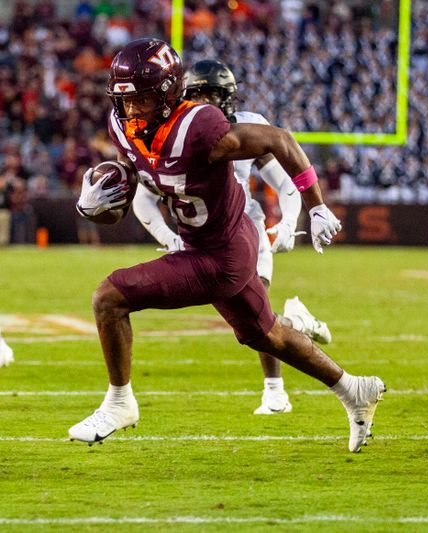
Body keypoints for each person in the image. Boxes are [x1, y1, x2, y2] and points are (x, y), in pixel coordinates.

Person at [69, 38, 385, 452]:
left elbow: (281, 140)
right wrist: (98, 201)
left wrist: (316, 206)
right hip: (213, 242)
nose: (131, 111)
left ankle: (120, 402)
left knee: (109, 298)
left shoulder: (200, 127)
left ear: (166, 94)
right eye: (124, 101)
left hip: (218, 255)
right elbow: (137, 173)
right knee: (266, 334)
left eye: (141, 100)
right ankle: (353, 389)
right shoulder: (123, 126)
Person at [132, 59, 331, 415]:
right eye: (198, 95)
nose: (206, 103)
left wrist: (289, 220)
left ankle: (274, 391)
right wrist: (168, 236)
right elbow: (143, 197)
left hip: (244, 226)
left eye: (213, 95)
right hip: (201, 237)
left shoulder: (248, 127)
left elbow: (284, 181)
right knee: (257, 320)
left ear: (228, 98)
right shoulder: (171, 132)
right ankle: (299, 323)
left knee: (259, 313)